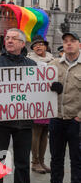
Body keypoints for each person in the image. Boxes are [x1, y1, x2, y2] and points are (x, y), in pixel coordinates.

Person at [0, 28, 59, 183]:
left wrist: (54, 89)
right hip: (0, 125)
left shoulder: (31, 65)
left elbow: (39, 90)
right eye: (7, 38)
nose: (9, 40)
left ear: (22, 44)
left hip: (24, 125)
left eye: (14, 38)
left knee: (22, 164)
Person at [48, 31, 81, 183]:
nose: (68, 43)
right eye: (66, 41)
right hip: (56, 119)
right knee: (56, 158)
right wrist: (50, 87)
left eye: (72, 41)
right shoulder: (53, 64)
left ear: (79, 45)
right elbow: (38, 87)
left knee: (77, 158)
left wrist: (79, 117)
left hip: (77, 120)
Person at [27, 35, 54, 174]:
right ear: (32, 48)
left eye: (41, 44)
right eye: (35, 45)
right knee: (36, 131)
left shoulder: (53, 60)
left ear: (45, 46)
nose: (38, 46)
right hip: (35, 100)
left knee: (45, 131)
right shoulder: (28, 61)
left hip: (48, 100)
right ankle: (35, 162)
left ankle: (42, 161)